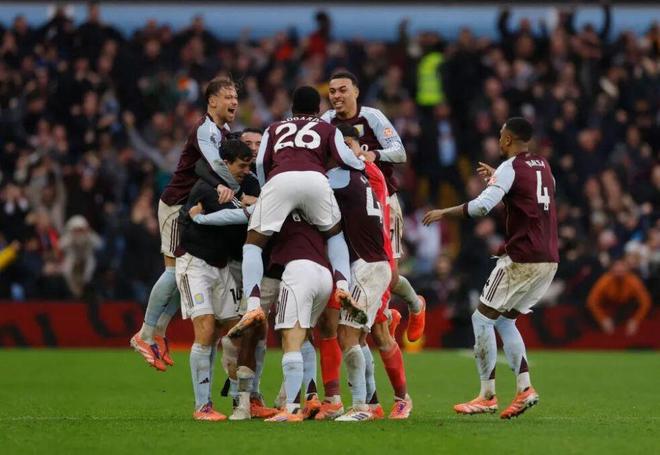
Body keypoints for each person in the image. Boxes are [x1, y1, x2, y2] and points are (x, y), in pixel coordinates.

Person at [423, 117, 559, 419]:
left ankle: (487, 395)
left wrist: (444, 212)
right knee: (505, 321)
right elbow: (530, 197)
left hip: (522, 258)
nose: (498, 140)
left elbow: (482, 206)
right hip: (549, 258)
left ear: (508, 139)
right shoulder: (543, 166)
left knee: (481, 318)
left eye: (500, 135)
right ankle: (525, 389)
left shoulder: (511, 168)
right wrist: (499, 178)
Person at [228, 86, 366, 338]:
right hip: (315, 179)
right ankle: (343, 287)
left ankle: (253, 305)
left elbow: (261, 162)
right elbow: (347, 158)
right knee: (334, 235)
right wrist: (362, 162)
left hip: (280, 179)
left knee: (253, 245)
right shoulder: (328, 128)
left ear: (292, 108)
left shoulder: (274, 128)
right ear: (318, 109)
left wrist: (266, 191)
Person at [130, 76, 242, 372]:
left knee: (183, 274)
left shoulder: (224, 132)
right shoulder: (205, 129)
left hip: (193, 206)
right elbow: (216, 166)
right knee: (173, 271)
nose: (234, 101)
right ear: (212, 101)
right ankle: (144, 334)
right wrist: (240, 192)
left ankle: (159, 332)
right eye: (228, 96)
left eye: (236, 97)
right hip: (177, 205)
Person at [322, 70, 426, 342]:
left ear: (356, 92)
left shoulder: (372, 117)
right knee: (350, 269)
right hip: (346, 203)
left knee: (389, 274)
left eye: (342, 90)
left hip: (383, 202)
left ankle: (415, 305)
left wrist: (374, 154)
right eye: (332, 91)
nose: (336, 96)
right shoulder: (326, 122)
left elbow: (400, 152)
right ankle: (383, 316)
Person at [174, 139, 254, 421]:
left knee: (235, 333)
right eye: (241, 166)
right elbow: (233, 216)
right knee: (206, 329)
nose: (246, 171)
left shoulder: (233, 187)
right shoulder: (207, 189)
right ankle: (202, 406)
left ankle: (239, 400)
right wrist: (252, 207)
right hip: (195, 265)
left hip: (222, 267)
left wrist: (247, 200)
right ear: (226, 164)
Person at [586, 259, 652, 337]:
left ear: (627, 270)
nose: (620, 272)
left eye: (622, 269)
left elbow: (646, 302)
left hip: (628, 306)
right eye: (617, 269)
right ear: (611, 270)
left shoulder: (634, 281)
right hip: (608, 306)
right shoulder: (604, 281)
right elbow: (591, 301)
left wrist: (636, 320)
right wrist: (603, 319)